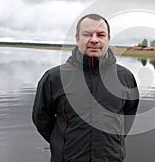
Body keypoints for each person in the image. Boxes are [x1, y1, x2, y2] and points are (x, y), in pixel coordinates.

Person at [32, 14, 139, 162]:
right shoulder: (54, 78)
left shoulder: (125, 77)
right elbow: (41, 119)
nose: (94, 40)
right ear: (77, 38)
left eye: (101, 35)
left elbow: (128, 117)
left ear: (108, 39)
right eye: (87, 34)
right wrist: (62, 143)